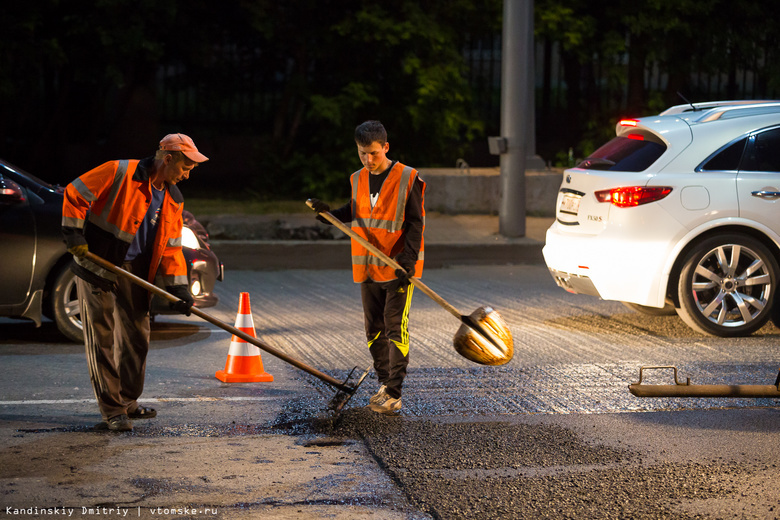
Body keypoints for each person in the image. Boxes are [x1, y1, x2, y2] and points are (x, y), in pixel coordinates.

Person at [61, 133, 208, 431]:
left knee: (137, 336)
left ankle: (128, 400)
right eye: (185, 168)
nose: (187, 175)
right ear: (167, 159)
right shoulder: (119, 171)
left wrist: (179, 289)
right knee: (102, 337)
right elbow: (74, 193)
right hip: (98, 263)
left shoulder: (173, 199)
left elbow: (170, 247)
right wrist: (74, 235)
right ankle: (113, 410)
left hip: (136, 269)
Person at [310, 120, 425, 415]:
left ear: (385, 147)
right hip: (369, 266)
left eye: (374, 153)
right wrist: (329, 214)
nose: (368, 160)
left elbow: (415, 223)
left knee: (394, 328)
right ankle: (384, 384)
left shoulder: (407, 177)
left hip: (397, 267)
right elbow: (356, 210)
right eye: (363, 153)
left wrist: (408, 259)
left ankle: (394, 392)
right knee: (373, 329)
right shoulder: (358, 178)